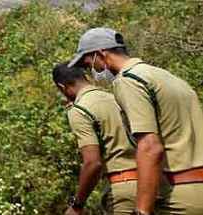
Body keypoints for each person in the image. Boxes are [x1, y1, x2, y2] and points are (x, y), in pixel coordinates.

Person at [70, 27, 203, 215]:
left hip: (178, 198)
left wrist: (142, 210)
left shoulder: (130, 80)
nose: (92, 72)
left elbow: (150, 147)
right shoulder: (169, 78)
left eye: (88, 65)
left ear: (100, 54)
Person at [51, 63, 138, 214]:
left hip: (123, 190)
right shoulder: (115, 98)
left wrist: (77, 205)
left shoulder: (80, 110)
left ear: (62, 87)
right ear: (85, 76)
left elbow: (93, 163)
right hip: (152, 182)